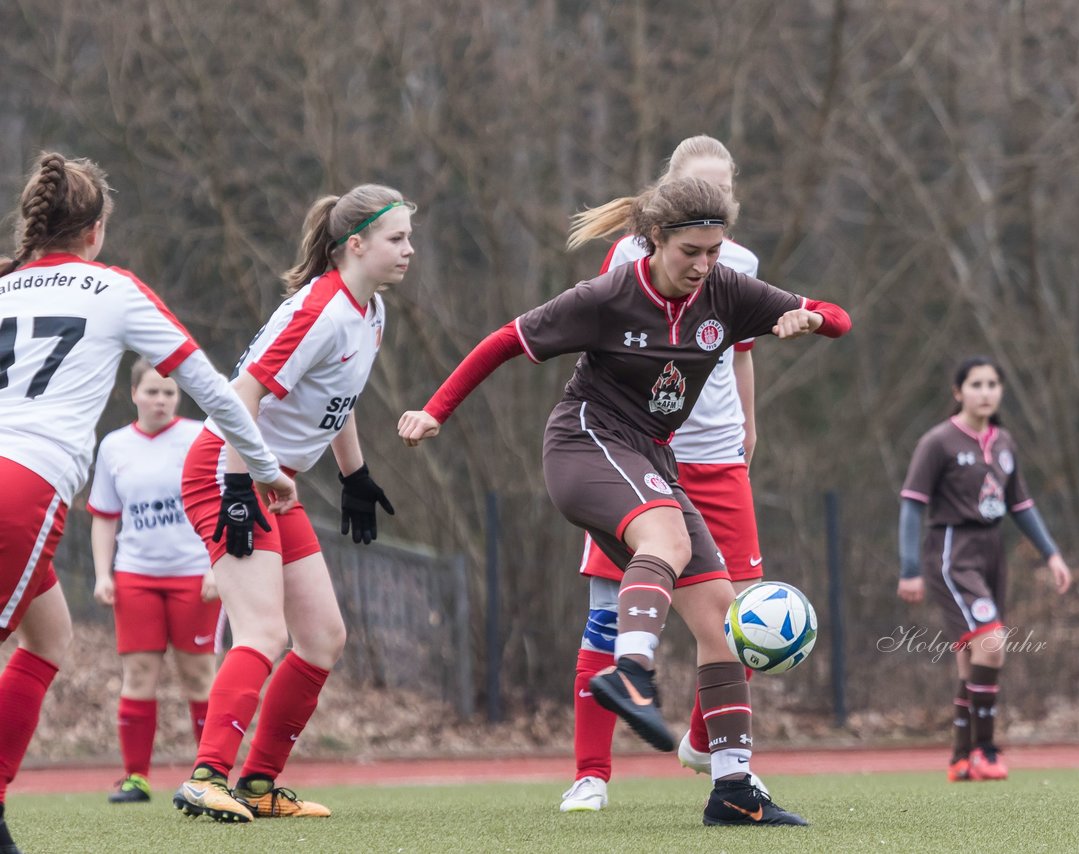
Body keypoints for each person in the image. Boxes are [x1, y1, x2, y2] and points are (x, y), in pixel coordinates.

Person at [400, 175, 850, 827]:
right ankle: (631, 672)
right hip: (585, 441)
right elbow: (506, 340)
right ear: (654, 240)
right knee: (663, 541)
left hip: (650, 457)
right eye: (689, 252)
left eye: (713, 252)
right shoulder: (609, 295)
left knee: (723, 621)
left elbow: (839, 316)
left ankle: (732, 790)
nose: (702, 266)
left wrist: (812, 319)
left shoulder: (727, 291)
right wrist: (434, 410)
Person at [0, 152, 293, 854]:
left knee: (50, 636)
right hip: (23, 484)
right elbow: (215, 389)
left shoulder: (4, 286)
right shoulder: (114, 288)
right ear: (95, 231)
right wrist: (267, 469)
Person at [172, 184, 409, 824]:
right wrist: (236, 487)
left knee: (323, 638)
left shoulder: (371, 312)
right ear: (354, 245)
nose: (409, 250)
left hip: (271, 482)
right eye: (397, 239)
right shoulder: (322, 311)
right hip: (229, 473)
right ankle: (206, 776)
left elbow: (339, 401)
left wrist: (354, 475)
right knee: (264, 631)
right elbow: (239, 395)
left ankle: (256, 784)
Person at [559, 136, 769, 813]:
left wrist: (749, 424)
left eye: (721, 196)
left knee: (740, 624)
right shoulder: (632, 257)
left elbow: (740, 355)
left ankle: (720, 762)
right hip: (645, 458)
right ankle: (591, 775)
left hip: (720, 461)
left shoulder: (739, 266)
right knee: (604, 617)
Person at [897, 356, 1073, 782]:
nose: (986, 392)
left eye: (993, 384)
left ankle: (960, 758)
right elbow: (912, 505)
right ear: (958, 392)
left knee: (972, 657)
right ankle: (987, 749)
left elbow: (1021, 505)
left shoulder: (1005, 442)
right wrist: (908, 568)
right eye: (976, 384)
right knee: (992, 643)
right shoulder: (938, 442)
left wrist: (1051, 553)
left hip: (992, 550)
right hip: (953, 550)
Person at [87, 357, 220, 804]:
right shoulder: (114, 446)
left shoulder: (199, 436)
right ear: (134, 393)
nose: (161, 399)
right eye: (152, 391)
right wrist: (103, 574)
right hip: (136, 576)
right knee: (139, 674)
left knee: (199, 676)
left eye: (169, 392)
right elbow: (105, 516)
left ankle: (209, 777)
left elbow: (220, 507)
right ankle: (136, 778)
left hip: (194, 576)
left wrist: (215, 568)